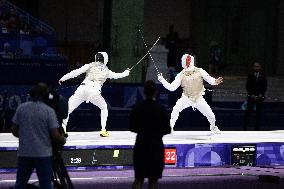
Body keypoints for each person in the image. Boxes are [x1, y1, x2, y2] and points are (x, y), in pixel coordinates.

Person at [59, 52, 130, 137]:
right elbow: (117, 76)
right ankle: (103, 130)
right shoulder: (107, 70)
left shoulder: (89, 65)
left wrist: (63, 78)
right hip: (94, 91)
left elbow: (75, 72)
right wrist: (126, 72)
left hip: (82, 89)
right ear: (105, 59)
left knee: (67, 109)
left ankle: (63, 129)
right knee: (104, 107)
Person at [11, 83, 66, 189]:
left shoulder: (22, 108)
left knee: (20, 184)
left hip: (25, 153)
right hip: (43, 154)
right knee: (45, 185)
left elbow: (14, 130)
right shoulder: (48, 111)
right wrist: (62, 139)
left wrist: (26, 137)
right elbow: (55, 135)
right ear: (46, 95)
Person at [158, 54, 223, 133]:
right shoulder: (181, 75)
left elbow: (209, 79)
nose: (187, 64)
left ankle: (213, 127)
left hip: (198, 98)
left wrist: (215, 81)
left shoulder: (200, 70)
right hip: (186, 98)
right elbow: (172, 88)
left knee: (211, 116)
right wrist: (162, 81)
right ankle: (170, 127)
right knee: (176, 109)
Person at [130, 80, 171, 189]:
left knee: (138, 178)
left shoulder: (137, 108)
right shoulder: (161, 109)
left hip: (141, 146)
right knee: (153, 180)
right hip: (156, 147)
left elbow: (132, 127)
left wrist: (144, 131)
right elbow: (167, 129)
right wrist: (156, 133)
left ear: (144, 92)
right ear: (155, 92)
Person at [244, 62, 267, 130]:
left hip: (260, 98)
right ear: (253, 67)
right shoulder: (250, 75)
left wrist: (261, 94)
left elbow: (264, 86)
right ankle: (245, 127)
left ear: (260, 67)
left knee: (259, 113)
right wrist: (251, 95)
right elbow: (248, 86)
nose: (256, 68)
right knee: (248, 113)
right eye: (255, 66)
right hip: (251, 97)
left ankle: (257, 128)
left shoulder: (263, 75)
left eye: (258, 66)